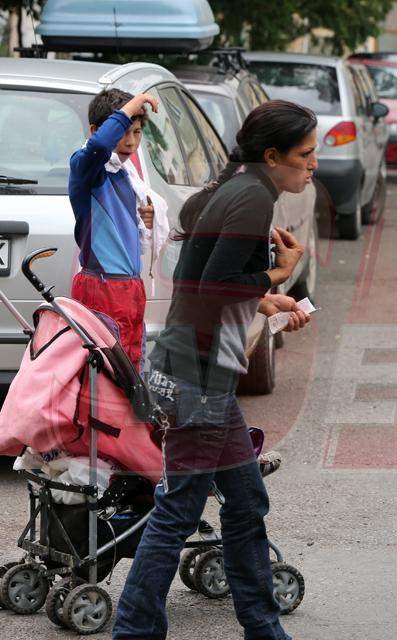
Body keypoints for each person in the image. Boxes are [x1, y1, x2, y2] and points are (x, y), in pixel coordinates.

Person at [112, 100, 318, 640]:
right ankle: (133, 630)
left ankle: (263, 626)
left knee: (246, 502)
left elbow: (204, 285)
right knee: (178, 512)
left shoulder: (240, 189)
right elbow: (214, 288)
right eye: (306, 155)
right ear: (273, 156)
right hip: (198, 377)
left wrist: (268, 301)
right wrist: (279, 272)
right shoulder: (250, 198)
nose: (313, 165)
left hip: (199, 371)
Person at [69, 89, 161, 370]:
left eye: (137, 132)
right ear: (98, 129)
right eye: (123, 131)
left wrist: (145, 221)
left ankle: (129, 416)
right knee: (106, 374)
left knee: (132, 368)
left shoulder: (125, 174)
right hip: (102, 287)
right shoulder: (87, 168)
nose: (131, 142)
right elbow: (98, 146)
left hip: (129, 288)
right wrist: (134, 104)